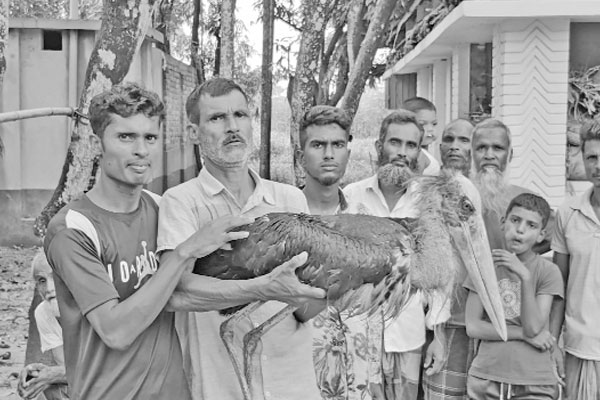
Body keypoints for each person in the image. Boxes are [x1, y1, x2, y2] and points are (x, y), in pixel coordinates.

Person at [44, 82, 321, 400]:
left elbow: (183, 299)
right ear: (96, 144)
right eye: (125, 137)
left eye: (149, 137)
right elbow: (117, 331)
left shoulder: (158, 207)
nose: (141, 150)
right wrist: (187, 250)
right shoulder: (74, 229)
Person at [156, 77, 325, 400]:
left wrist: (344, 286)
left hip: (293, 382)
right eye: (217, 118)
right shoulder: (181, 202)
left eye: (240, 115)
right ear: (194, 132)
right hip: (220, 386)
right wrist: (262, 288)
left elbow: (304, 306)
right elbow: (176, 287)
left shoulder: (290, 200)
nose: (232, 127)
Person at [343, 110, 450, 400]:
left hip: (407, 336)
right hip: (357, 337)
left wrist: (437, 337)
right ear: (379, 147)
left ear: (419, 152)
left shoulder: (427, 205)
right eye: (395, 142)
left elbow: (438, 278)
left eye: (411, 145)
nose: (402, 153)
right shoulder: (351, 197)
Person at [297, 105, 384, 399]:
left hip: (357, 379)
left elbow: (375, 307)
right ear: (301, 156)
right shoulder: (286, 221)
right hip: (301, 376)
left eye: (337, 144)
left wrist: (374, 376)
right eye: (318, 145)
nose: (329, 154)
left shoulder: (367, 224)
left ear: (348, 150)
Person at [465, 193, 563, 400]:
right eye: (515, 220)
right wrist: (523, 335)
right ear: (503, 222)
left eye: (531, 225)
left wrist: (525, 277)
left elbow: (534, 327)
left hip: (535, 380)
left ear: (541, 235)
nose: (520, 230)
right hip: (487, 376)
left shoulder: (548, 271)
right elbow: (473, 327)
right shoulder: (483, 266)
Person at [421, 119, 475, 400]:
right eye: (449, 139)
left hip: (478, 325)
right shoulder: (426, 191)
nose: (455, 146)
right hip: (438, 324)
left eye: (464, 140)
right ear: (439, 145)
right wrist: (436, 334)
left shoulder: (481, 195)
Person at [551, 118, 600, 400]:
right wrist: (553, 343)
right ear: (582, 157)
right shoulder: (568, 212)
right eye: (591, 157)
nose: (598, 165)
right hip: (578, 348)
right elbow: (560, 286)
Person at [471, 118, 551, 253]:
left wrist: (523, 256)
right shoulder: (456, 197)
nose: (489, 155)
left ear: (510, 155)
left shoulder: (527, 200)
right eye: (481, 148)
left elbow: (553, 236)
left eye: (497, 148)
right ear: (471, 154)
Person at [18, 250, 69, 400]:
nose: (49, 288)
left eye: (55, 277)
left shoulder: (92, 306)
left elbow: (107, 370)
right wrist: (40, 374)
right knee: (42, 389)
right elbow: (65, 366)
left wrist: (52, 374)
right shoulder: (43, 312)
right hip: (85, 381)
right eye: (41, 280)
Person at [402, 97, 441, 176]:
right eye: (422, 124)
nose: (430, 129)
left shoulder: (422, 151)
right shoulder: (418, 155)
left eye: (434, 124)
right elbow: (412, 182)